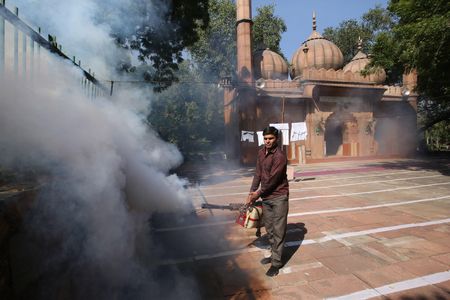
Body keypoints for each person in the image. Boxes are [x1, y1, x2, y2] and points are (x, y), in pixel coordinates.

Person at [247, 126, 289, 277]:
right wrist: (251, 192)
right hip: (266, 198)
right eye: (265, 139)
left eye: (270, 138)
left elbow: (272, 180)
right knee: (269, 229)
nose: (267, 141)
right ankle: (273, 255)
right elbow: (258, 173)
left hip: (279, 197)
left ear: (276, 139)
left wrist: (257, 193)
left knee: (278, 231)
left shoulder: (280, 156)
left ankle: (276, 263)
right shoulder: (261, 153)